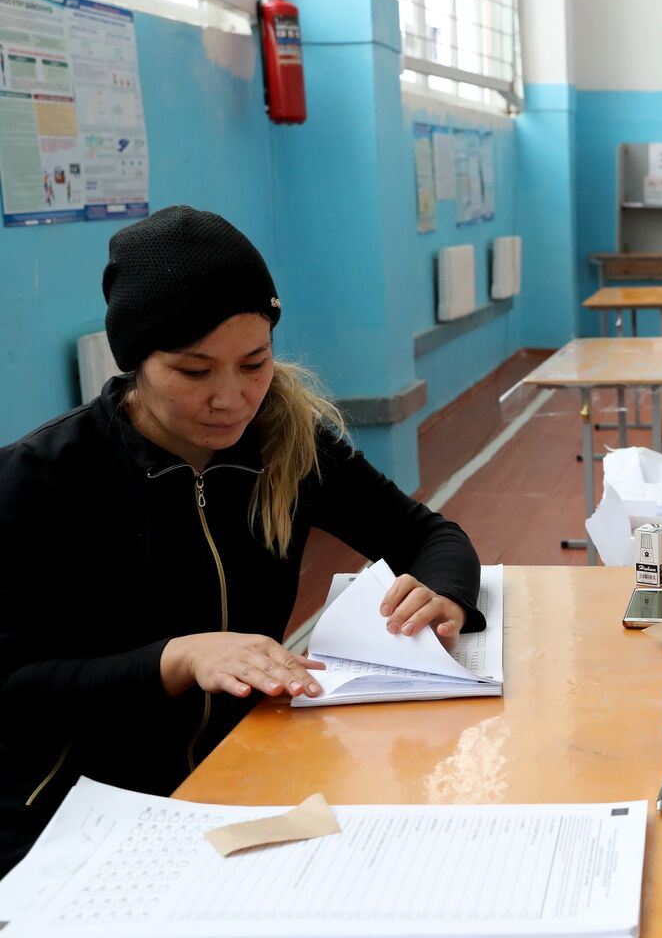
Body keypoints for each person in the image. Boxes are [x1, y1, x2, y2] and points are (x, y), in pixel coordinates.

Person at [0, 205, 486, 876]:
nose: (232, 397)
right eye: (194, 371)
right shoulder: (39, 479)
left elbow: (427, 533)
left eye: (254, 362)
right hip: (74, 816)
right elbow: (14, 689)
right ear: (135, 360)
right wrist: (174, 658)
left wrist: (444, 594)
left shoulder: (288, 440)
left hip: (240, 781)